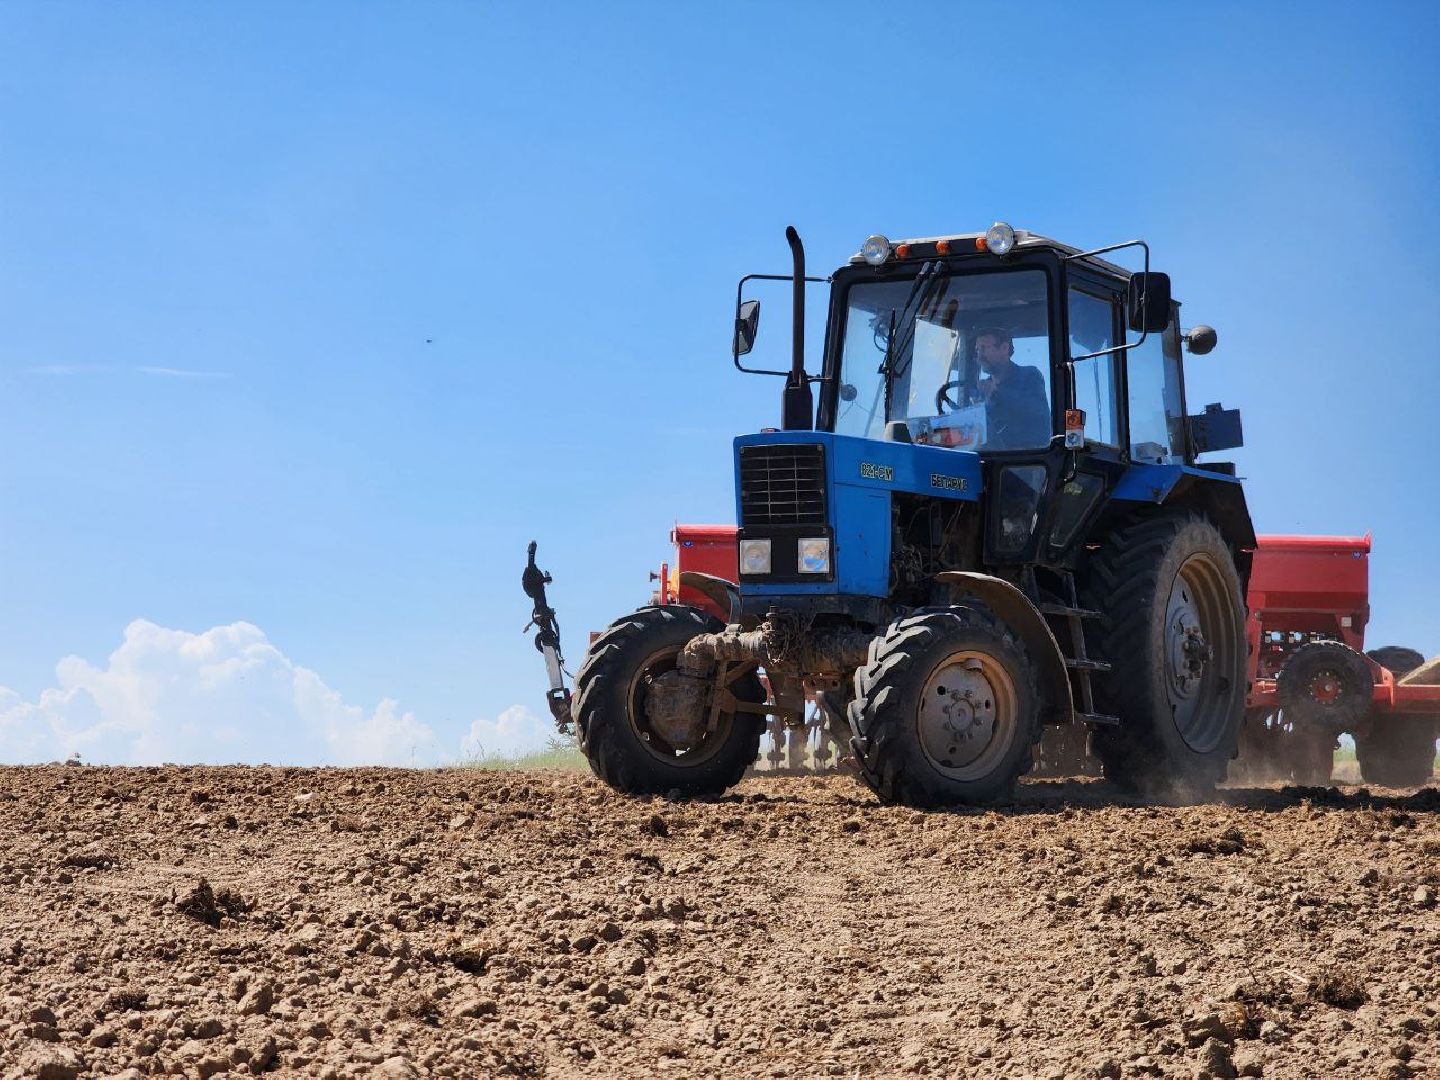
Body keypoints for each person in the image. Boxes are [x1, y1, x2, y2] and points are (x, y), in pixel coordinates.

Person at [973, 327, 1051, 450]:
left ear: (1004, 348)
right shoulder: (981, 391)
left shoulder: (1030, 375)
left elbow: (1036, 413)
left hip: (1027, 459)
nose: (980, 356)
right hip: (990, 459)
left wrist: (996, 394)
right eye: (977, 350)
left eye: (984, 348)